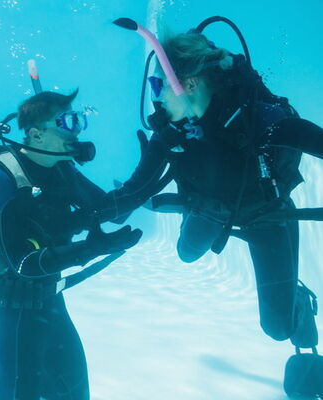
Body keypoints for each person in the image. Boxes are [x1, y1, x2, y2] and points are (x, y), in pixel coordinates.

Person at [102, 21, 323, 396]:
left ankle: (297, 301)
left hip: (266, 216)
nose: (156, 98)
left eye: (158, 85)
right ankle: (199, 217)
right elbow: (133, 191)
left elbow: (312, 138)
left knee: (277, 328)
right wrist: (89, 213)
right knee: (187, 253)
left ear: (187, 84)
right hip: (206, 211)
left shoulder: (258, 119)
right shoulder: (169, 134)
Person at [0, 90, 142, 400]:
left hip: (52, 300)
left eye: (80, 120)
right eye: (67, 122)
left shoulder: (63, 169)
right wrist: (89, 249)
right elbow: (23, 265)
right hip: (14, 309)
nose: (76, 131)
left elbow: (112, 211)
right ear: (36, 134)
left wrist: (159, 156)